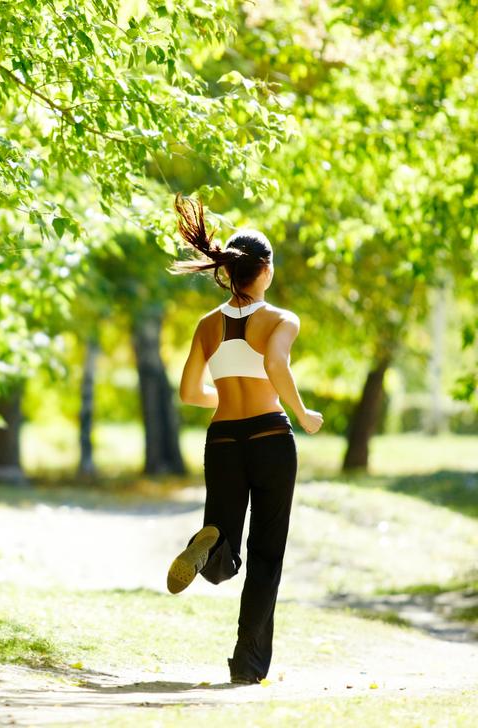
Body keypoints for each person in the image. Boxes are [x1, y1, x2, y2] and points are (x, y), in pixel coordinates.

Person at [167, 193, 323, 685]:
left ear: (230, 271)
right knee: (266, 552)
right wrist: (302, 412)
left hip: (223, 441)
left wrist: (228, 398)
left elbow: (191, 391)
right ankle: (247, 663)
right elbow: (275, 365)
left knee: (226, 542)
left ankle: (208, 548)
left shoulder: (208, 325)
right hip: (271, 437)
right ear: (266, 270)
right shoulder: (281, 319)